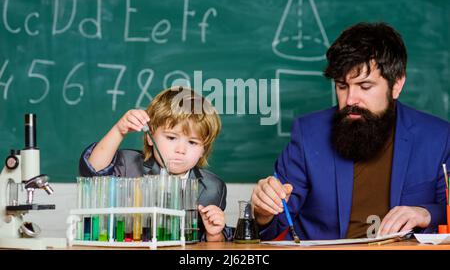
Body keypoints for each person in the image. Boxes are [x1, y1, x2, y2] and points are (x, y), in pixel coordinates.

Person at [252, 22, 450, 240]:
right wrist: (264, 211)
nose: (350, 100)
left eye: (365, 87)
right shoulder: (308, 134)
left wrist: (426, 213)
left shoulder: (438, 137)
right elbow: (271, 228)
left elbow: (446, 209)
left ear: (397, 85)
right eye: (342, 86)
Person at [79, 86, 233, 242]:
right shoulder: (128, 164)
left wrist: (214, 235)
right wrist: (119, 130)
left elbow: (211, 241)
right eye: (171, 138)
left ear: (203, 149)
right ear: (149, 136)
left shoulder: (213, 187)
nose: (181, 150)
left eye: (192, 142)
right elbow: (93, 171)